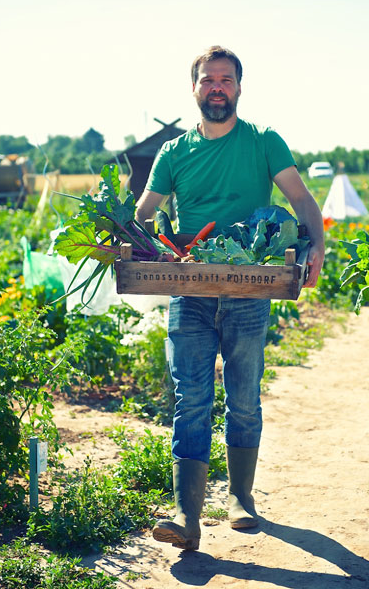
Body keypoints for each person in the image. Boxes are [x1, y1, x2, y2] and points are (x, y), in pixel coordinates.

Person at [135, 45, 325, 551]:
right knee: (190, 398)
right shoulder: (173, 153)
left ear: (239, 87)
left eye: (225, 80)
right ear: (193, 88)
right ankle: (186, 514)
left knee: (243, 397)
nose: (216, 88)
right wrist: (130, 238)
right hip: (190, 290)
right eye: (207, 80)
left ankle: (241, 497)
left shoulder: (264, 141)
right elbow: (145, 211)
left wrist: (317, 248)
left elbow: (301, 200)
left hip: (249, 289)